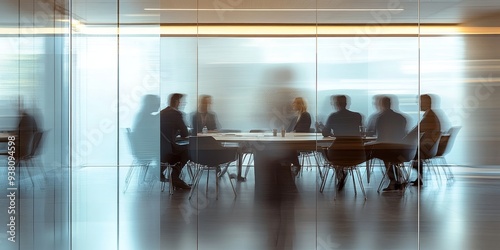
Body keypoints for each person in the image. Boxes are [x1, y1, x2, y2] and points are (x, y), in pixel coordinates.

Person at [364, 95, 408, 191]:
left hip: (387, 150)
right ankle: (399, 178)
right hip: (402, 150)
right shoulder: (401, 117)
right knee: (389, 153)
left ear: (381, 105)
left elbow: (373, 133)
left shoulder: (379, 118)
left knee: (379, 151)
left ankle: (393, 180)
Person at [321, 95, 363, 190]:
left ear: (336, 104)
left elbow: (325, 133)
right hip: (356, 153)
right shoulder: (357, 116)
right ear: (347, 104)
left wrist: (329, 131)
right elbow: (361, 130)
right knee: (339, 151)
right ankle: (341, 172)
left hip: (338, 154)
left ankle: (340, 173)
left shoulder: (333, 116)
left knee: (324, 150)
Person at [160, 93, 191, 190]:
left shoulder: (162, 112)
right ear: (177, 102)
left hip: (160, 149)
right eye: (183, 102)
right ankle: (175, 177)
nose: (184, 104)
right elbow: (185, 134)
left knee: (180, 150)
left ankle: (161, 170)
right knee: (189, 150)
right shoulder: (177, 114)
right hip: (169, 149)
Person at [410, 94, 442, 187]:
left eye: (420, 102)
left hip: (426, 150)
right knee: (413, 151)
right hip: (428, 149)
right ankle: (417, 178)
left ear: (426, 103)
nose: (418, 104)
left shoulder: (429, 117)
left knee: (404, 152)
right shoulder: (431, 115)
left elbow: (417, 130)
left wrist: (404, 137)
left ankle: (398, 180)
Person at [131, 95, 160, 164]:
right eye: (157, 103)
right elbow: (155, 134)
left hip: (141, 151)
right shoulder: (147, 118)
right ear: (150, 104)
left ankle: (156, 171)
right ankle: (157, 172)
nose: (159, 106)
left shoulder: (141, 115)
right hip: (147, 151)